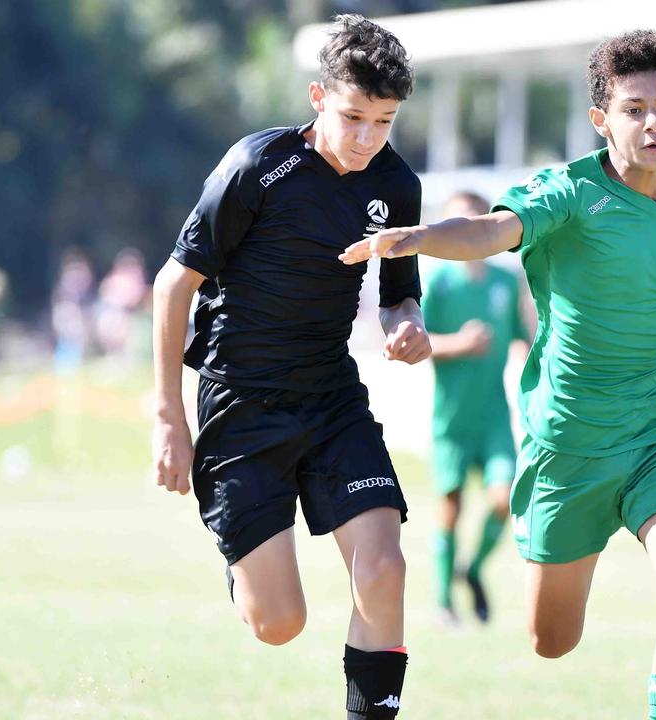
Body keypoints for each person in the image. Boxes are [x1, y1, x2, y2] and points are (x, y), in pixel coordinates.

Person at [342, 30, 656, 720]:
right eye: (633, 109)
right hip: (567, 447)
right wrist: (420, 238)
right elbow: (492, 231)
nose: (651, 122)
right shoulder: (567, 193)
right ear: (602, 120)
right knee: (551, 641)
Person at [150, 15, 427, 719]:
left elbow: (399, 298)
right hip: (241, 407)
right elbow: (172, 285)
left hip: (332, 399)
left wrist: (408, 329)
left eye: (384, 122)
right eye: (353, 117)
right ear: (316, 97)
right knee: (279, 624)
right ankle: (245, 569)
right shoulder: (257, 166)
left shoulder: (396, 185)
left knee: (385, 567)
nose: (367, 138)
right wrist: (168, 418)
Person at [423, 191, 531, 627]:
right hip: (451, 418)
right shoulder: (437, 284)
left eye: (471, 221)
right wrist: (457, 344)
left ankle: (473, 569)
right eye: (453, 223)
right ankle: (444, 600)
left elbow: (525, 338)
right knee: (449, 507)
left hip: (493, 417)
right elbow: (412, 342)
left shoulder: (506, 281)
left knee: (504, 501)